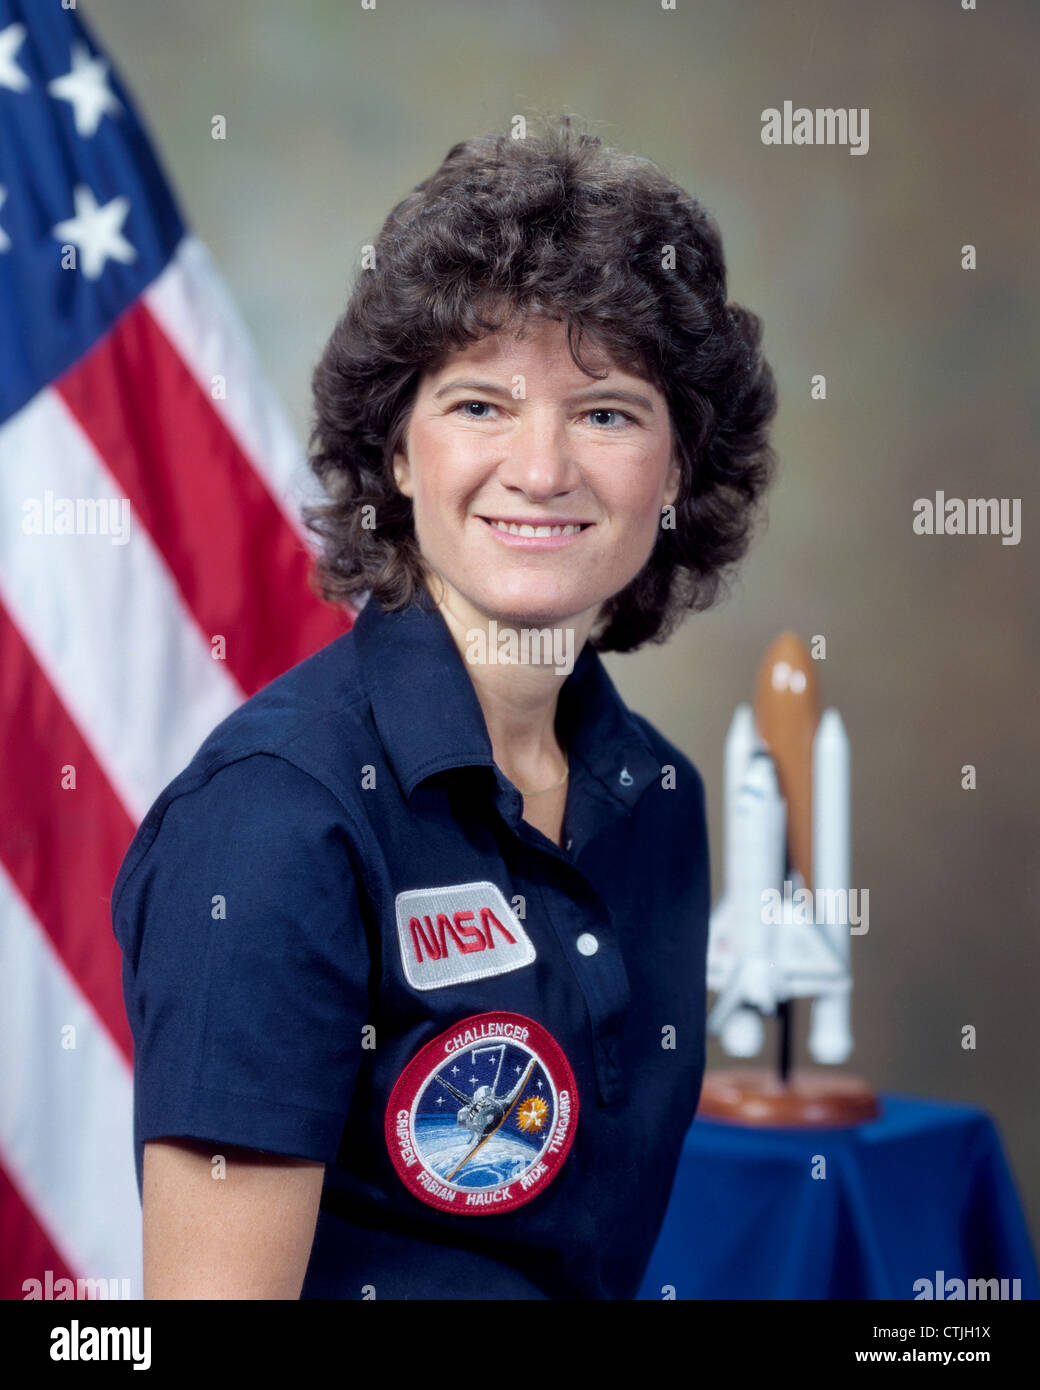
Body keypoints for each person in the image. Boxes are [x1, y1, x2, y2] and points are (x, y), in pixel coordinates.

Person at [111, 114, 777, 1300]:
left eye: (606, 411)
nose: (539, 467)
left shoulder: (657, 799)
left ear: (675, 472)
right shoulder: (275, 821)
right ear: (399, 454)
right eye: (478, 404)